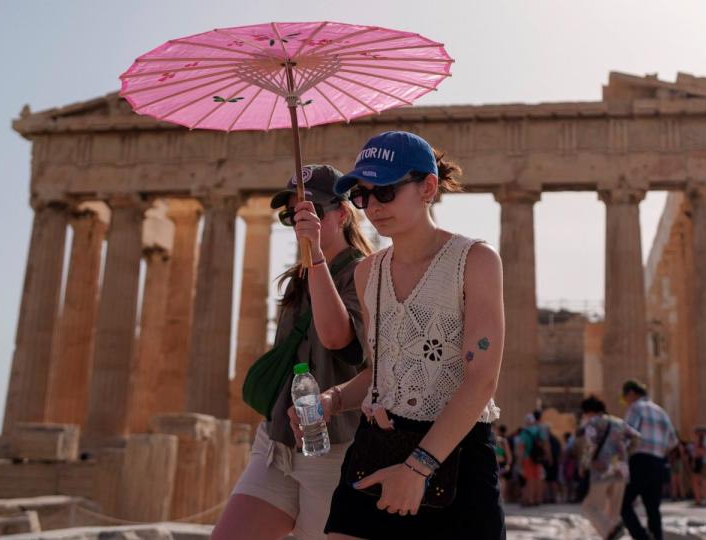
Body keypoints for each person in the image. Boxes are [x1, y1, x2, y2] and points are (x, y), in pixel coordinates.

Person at [320, 131, 506, 539]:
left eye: (385, 191)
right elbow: (382, 371)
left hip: (455, 456)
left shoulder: (475, 261)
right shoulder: (367, 272)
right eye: (362, 195)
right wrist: (332, 401)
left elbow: (482, 378)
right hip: (378, 447)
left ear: (428, 187)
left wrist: (418, 467)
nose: (372, 207)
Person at [212, 165, 373, 540]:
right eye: (292, 214)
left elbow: (338, 340)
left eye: (311, 211)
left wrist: (316, 254)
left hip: (334, 447)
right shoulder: (296, 278)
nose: (301, 222)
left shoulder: (364, 273)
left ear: (342, 214)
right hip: (277, 441)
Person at [619, 380, 678, 540]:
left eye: (624, 398)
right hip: (658, 462)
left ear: (631, 393)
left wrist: (619, 453)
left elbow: (628, 433)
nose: (625, 402)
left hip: (640, 460)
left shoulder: (636, 408)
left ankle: (641, 537)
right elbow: (673, 441)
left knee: (622, 503)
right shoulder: (661, 412)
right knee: (653, 507)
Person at [580, 396, 641, 540]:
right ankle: (613, 531)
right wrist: (625, 454)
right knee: (613, 511)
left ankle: (612, 531)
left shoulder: (593, 423)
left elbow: (590, 445)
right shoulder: (619, 422)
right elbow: (637, 438)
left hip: (602, 468)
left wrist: (585, 464)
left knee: (590, 507)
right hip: (621, 468)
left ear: (588, 411)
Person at [517, 412, 549, 506]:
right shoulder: (539, 430)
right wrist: (546, 456)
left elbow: (521, 448)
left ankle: (530, 499)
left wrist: (519, 462)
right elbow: (545, 444)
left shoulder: (524, 432)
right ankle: (538, 499)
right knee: (538, 478)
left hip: (528, 458)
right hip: (539, 458)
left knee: (530, 479)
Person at [493, 424, 514, 502]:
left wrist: (508, 464)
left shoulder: (502, 441)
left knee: (502, 481)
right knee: (498, 481)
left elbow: (508, 454)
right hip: (493, 464)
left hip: (501, 464)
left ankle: (501, 497)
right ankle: (498, 497)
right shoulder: (491, 440)